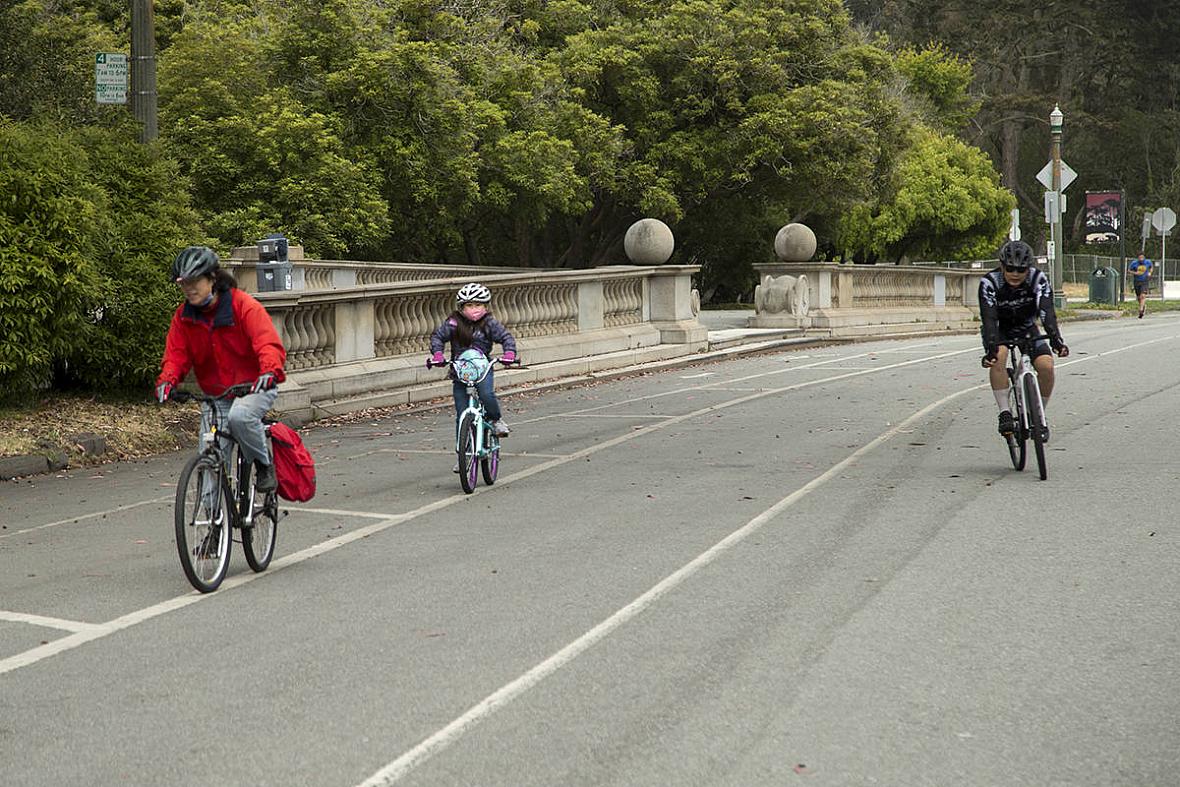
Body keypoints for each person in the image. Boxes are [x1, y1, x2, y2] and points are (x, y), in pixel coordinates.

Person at [155, 246, 287, 492]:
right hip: (217, 395)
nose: (189, 288)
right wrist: (167, 381)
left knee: (240, 417)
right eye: (184, 283)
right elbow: (176, 355)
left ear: (212, 279)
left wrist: (269, 372)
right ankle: (214, 525)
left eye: (195, 281)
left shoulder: (244, 306)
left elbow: (267, 344)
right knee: (209, 457)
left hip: (255, 386)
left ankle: (263, 464)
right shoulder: (184, 317)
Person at [979, 240, 1069, 438]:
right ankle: (1004, 412)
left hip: (1027, 328)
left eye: (1021, 270)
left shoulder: (1038, 279)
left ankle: (1038, 416)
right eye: (1010, 268)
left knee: (1046, 366)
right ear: (1002, 266)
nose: (1015, 274)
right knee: (999, 356)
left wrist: (1056, 341)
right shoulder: (990, 282)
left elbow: (1046, 311)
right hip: (999, 329)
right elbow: (989, 317)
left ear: (1028, 269)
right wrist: (991, 348)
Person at [429, 283, 518, 468]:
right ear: (461, 307)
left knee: (486, 395)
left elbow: (506, 338)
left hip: (483, 370)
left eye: (478, 305)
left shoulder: (489, 323)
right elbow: (437, 337)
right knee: (462, 415)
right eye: (469, 305)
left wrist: (509, 354)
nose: (474, 309)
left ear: (486, 306)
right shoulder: (453, 323)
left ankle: (495, 420)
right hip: (460, 373)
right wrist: (437, 354)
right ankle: (464, 454)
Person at [1129, 252, 1153, 318]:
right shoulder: (1134, 263)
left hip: (1144, 281)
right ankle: (1143, 306)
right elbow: (1129, 270)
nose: (1141, 259)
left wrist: (1150, 273)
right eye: (1140, 258)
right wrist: (1135, 273)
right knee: (1139, 297)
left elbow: (1151, 267)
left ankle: (1141, 310)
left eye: (1142, 257)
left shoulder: (1148, 262)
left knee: (1143, 296)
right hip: (1137, 281)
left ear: (1144, 257)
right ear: (1138, 258)